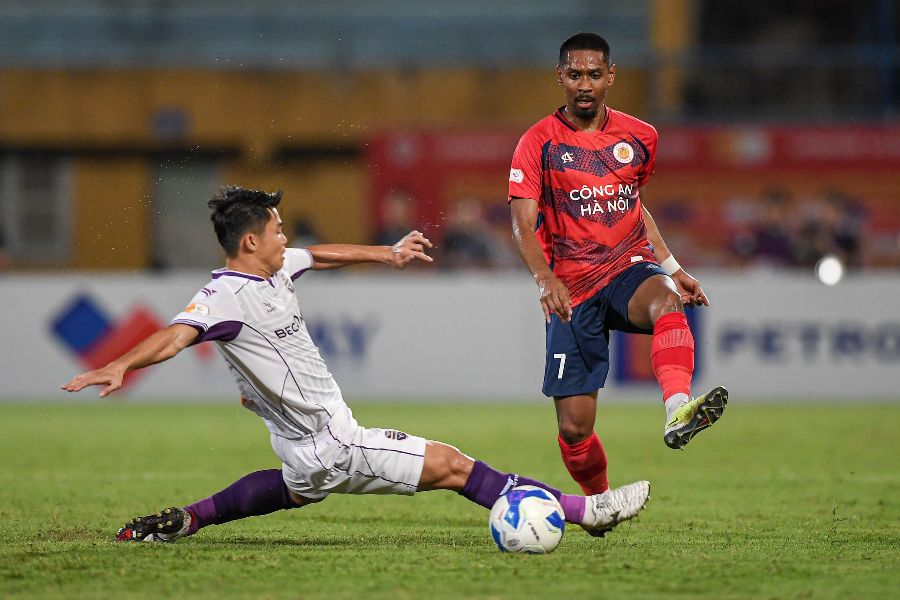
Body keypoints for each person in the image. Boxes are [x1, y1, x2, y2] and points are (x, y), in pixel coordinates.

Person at [62, 186, 650, 542]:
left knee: (294, 489)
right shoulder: (224, 298)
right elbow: (173, 335)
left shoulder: (274, 267)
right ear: (248, 244)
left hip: (297, 451)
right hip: (334, 440)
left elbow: (318, 255)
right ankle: (585, 510)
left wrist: (387, 253)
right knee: (454, 466)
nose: (284, 235)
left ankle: (187, 519)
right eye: (274, 229)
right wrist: (121, 365)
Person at [508, 33, 728, 496]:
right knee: (574, 428)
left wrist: (672, 267)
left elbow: (633, 206)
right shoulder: (538, 142)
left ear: (611, 76)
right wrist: (545, 278)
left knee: (668, 303)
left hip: (627, 268)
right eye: (574, 74)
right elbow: (522, 225)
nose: (584, 84)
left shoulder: (641, 137)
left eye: (593, 74)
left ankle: (678, 410)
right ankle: (601, 502)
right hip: (570, 289)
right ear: (560, 78)